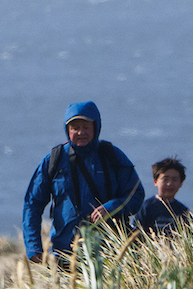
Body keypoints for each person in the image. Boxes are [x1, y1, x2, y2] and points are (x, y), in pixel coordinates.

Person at [21, 101, 146, 262]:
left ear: (96, 127)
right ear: (67, 130)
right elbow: (32, 203)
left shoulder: (112, 156)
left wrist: (111, 208)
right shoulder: (54, 159)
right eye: (75, 128)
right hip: (66, 254)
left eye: (86, 127)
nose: (81, 132)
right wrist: (33, 247)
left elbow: (135, 194)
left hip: (110, 251)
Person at [136, 158, 193, 237]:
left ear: (181, 183)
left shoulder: (183, 211)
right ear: (155, 181)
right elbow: (136, 235)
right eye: (165, 179)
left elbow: (192, 240)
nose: (169, 184)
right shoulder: (146, 208)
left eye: (174, 179)